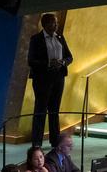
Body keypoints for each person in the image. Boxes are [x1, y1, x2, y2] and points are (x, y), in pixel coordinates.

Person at [28, 13, 73, 149]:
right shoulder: (36, 39)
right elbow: (31, 60)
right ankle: (37, 142)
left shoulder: (59, 37)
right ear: (45, 24)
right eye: (53, 23)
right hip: (42, 79)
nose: (56, 25)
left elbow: (69, 56)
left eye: (56, 23)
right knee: (40, 110)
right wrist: (48, 63)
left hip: (58, 77)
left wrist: (62, 62)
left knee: (54, 110)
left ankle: (55, 140)